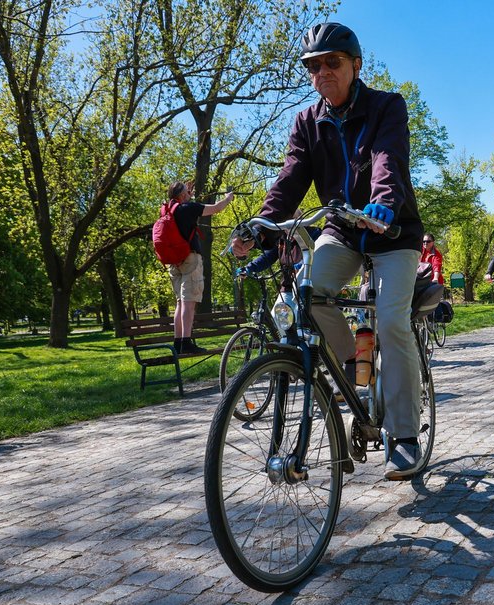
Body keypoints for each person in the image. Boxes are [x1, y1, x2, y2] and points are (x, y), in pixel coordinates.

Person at [230, 22, 424, 480]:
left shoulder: (386, 106)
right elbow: (290, 180)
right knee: (300, 299)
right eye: (313, 67)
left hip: (391, 231)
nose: (322, 73)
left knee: (391, 320)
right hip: (341, 231)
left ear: (356, 65)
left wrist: (383, 202)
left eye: (332, 63)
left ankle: (404, 434)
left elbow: (387, 158)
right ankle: (356, 368)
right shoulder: (306, 122)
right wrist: (260, 226)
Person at [165, 180, 234, 354]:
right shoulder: (188, 208)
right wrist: (228, 198)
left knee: (180, 303)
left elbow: (185, 209)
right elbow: (216, 208)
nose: (190, 194)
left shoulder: (169, 209)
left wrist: (188, 194)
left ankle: (178, 343)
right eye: (187, 192)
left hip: (175, 262)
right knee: (189, 303)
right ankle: (186, 343)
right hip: (190, 259)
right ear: (182, 195)